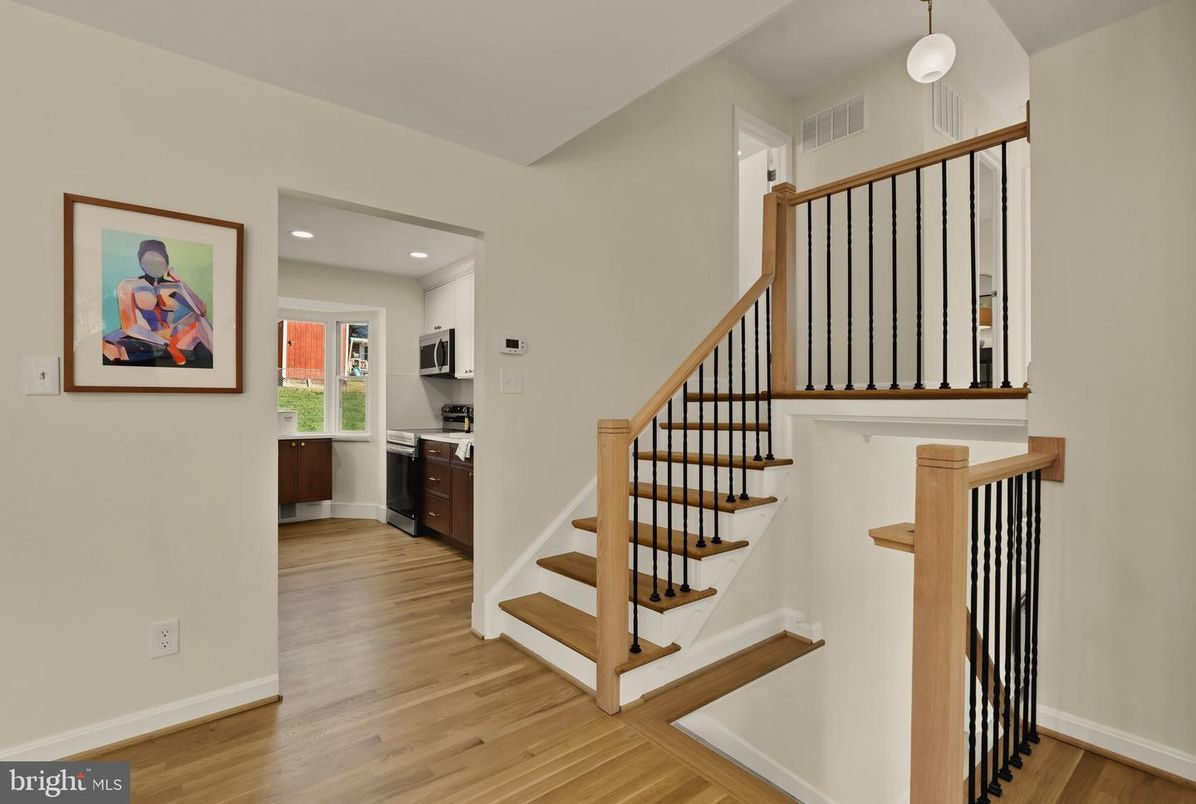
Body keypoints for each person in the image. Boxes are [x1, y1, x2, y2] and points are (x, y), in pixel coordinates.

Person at [102, 239, 214, 367]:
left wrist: (181, 282)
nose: (155, 265)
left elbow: (201, 311)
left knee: (198, 319)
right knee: (109, 347)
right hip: (142, 336)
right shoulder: (129, 285)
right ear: (141, 263)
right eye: (149, 261)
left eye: (159, 261)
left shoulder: (175, 287)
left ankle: (222, 363)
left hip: (170, 337)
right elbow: (130, 327)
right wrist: (165, 345)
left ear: (166, 263)